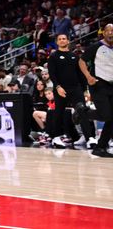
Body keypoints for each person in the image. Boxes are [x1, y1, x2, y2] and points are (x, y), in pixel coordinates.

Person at [47, 34, 96, 148]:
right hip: (61, 89)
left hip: (76, 89)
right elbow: (52, 74)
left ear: (68, 41)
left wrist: (84, 90)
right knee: (58, 112)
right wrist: (58, 87)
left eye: (64, 38)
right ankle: (56, 137)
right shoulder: (53, 56)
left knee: (82, 112)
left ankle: (89, 138)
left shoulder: (74, 56)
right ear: (57, 42)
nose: (62, 40)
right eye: (59, 39)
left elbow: (80, 74)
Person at [79, 23, 113, 158]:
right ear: (103, 32)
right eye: (108, 30)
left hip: (112, 86)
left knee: (112, 119)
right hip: (98, 85)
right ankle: (83, 112)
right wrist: (88, 76)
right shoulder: (96, 46)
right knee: (107, 116)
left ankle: (100, 148)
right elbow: (81, 61)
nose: (111, 33)